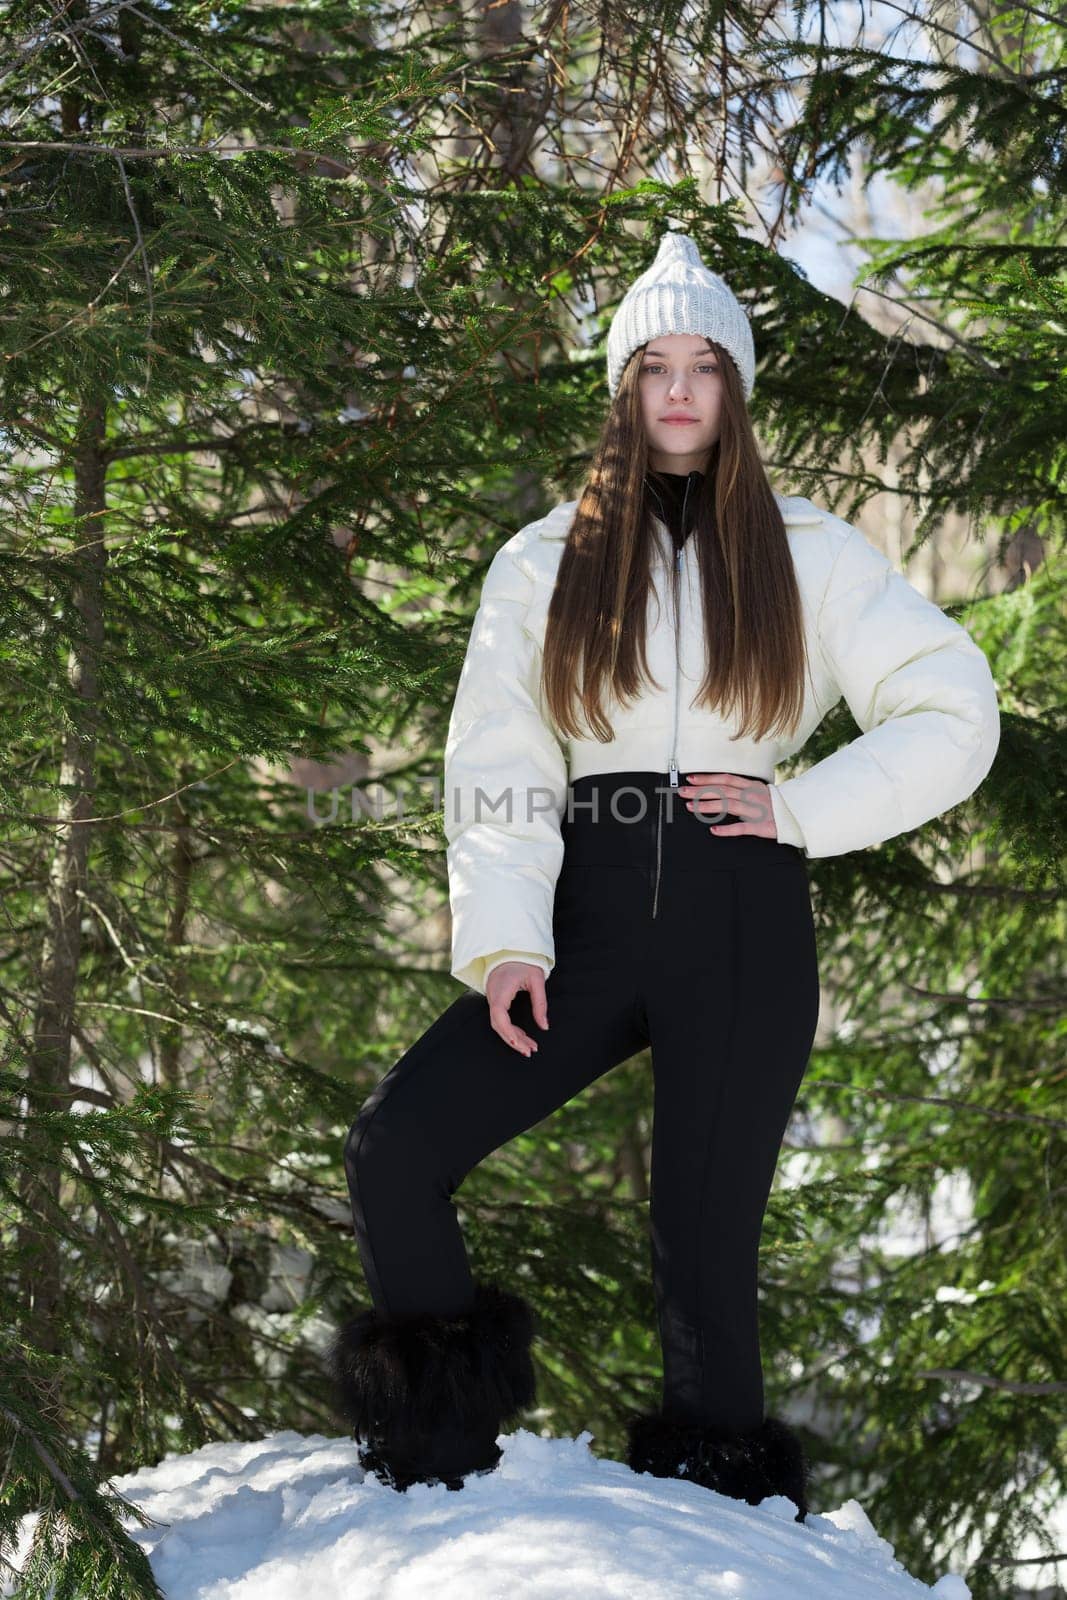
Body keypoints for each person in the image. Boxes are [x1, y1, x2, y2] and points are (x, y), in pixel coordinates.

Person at [327, 231, 1001, 1519]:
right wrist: (510, 939)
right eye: (656, 366)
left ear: (736, 391)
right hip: (583, 915)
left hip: (741, 914)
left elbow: (953, 709)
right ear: (624, 388)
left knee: (703, 1249)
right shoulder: (542, 559)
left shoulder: (810, 551)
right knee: (395, 1147)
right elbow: (501, 760)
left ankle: (717, 1536)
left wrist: (804, 806)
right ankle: (434, 1482)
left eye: (707, 367)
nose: (682, 390)